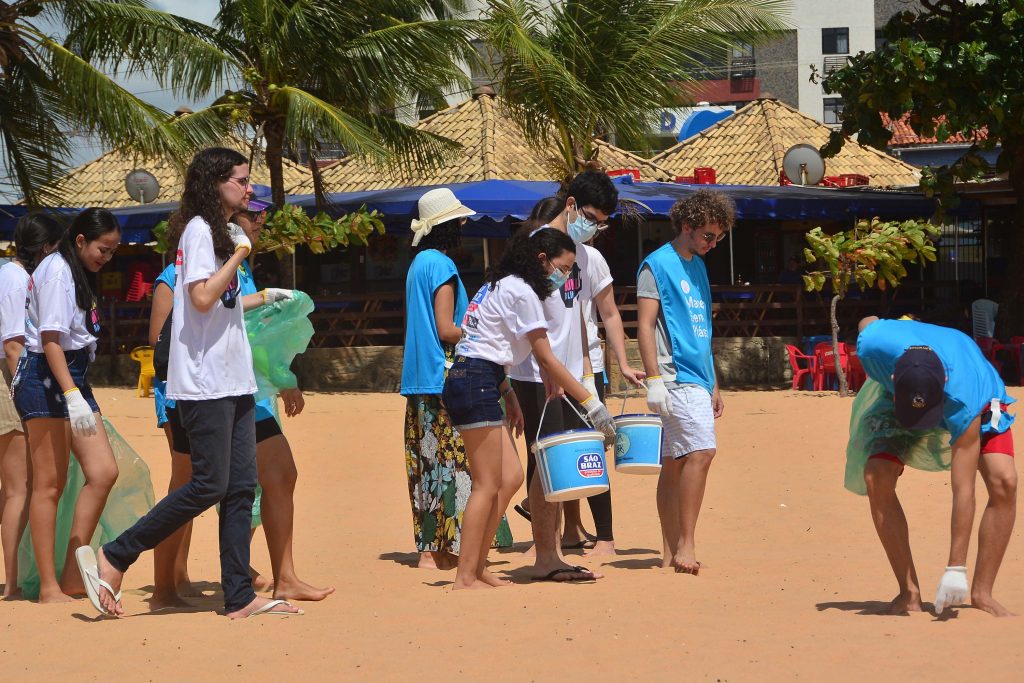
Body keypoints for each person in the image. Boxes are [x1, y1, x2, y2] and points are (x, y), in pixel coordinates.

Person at [79, 146, 299, 618]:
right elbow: (199, 297)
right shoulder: (202, 231)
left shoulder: (219, 234)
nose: (250, 188)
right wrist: (241, 253)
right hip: (204, 382)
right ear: (215, 182)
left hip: (234, 378)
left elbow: (221, 306)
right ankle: (116, 555)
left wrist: (260, 295)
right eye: (241, 180)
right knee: (207, 485)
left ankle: (238, 595)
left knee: (241, 486)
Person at [443, 228, 615, 589]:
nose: (565, 276)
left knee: (511, 478)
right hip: (474, 381)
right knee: (487, 483)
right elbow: (546, 358)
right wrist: (591, 403)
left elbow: (488, 342)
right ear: (542, 259)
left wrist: (508, 393)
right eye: (564, 268)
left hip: (482, 378)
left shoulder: (500, 284)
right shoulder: (522, 291)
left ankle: (476, 567)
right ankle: (465, 575)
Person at [851, 316, 1017, 617]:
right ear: (891, 378)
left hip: (975, 391)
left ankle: (982, 593)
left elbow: (963, 488)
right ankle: (908, 592)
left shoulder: (964, 397)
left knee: (1004, 481)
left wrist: (956, 568)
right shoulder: (875, 346)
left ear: (944, 384)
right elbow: (868, 322)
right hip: (902, 392)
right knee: (876, 475)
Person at [507, 170, 619, 582]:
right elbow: (529, 326)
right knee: (544, 465)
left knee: (555, 465)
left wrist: (588, 377)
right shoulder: (536, 251)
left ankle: (550, 553)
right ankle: (546, 556)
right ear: (570, 205)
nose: (595, 227)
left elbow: (586, 320)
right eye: (590, 216)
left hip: (569, 373)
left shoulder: (583, 253)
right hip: (538, 373)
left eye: (601, 222)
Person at [401, 188, 512, 571]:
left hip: (419, 379)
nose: (465, 225)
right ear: (449, 226)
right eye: (460, 220)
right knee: (458, 463)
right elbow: (447, 328)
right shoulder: (443, 266)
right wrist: (485, 336)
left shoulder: (418, 263)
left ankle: (430, 550)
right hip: (446, 375)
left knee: (426, 465)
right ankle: (455, 548)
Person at [14, 208, 121, 602]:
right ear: (80, 241)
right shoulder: (58, 270)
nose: (105, 258)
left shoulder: (77, 272)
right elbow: (51, 339)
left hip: (72, 376)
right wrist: (72, 395)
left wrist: (76, 391)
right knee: (49, 484)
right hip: (46, 375)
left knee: (103, 471)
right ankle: (48, 587)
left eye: (112, 252)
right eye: (102, 249)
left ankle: (74, 574)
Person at [637, 190, 734, 574]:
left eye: (719, 239)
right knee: (702, 452)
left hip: (698, 376)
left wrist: (714, 382)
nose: (713, 245)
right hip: (673, 375)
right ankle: (686, 544)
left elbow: (703, 328)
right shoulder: (656, 265)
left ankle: (669, 553)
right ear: (687, 226)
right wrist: (653, 379)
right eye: (708, 237)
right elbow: (644, 325)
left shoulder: (698, 265)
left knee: (675, 463)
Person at [0, 214, 63, 598]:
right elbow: (12, 342)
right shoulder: (13, 278)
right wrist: (25, 393)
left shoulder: (21, 275)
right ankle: (11, 583)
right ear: (46, 247)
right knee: (17, 489)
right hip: (11, 379)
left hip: (17, 376)